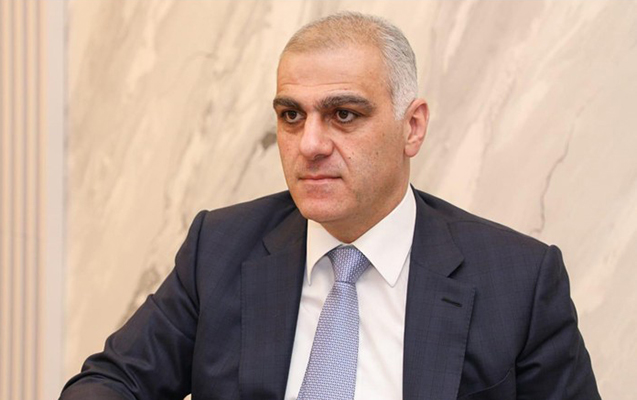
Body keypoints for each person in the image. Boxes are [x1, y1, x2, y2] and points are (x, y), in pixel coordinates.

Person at [60, 12, 600, 400]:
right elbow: (111, 381)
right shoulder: (220, 248)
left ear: (412, 127)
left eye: (344, 115)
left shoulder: (518, 281)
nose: (310, 144)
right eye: (291, 116)